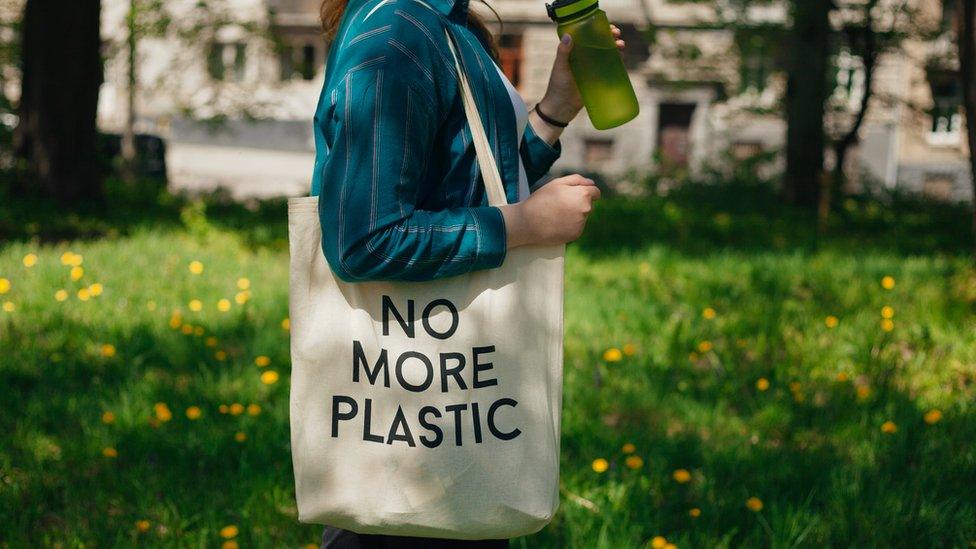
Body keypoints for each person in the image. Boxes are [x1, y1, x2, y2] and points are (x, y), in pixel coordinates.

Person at [311, 0, 624, 544]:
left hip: (439, 413)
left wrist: (552, 112)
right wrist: (523, 225)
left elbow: (468, 184)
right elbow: (362, 239)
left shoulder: (442, 22)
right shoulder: (394, 36)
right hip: (410, 421)